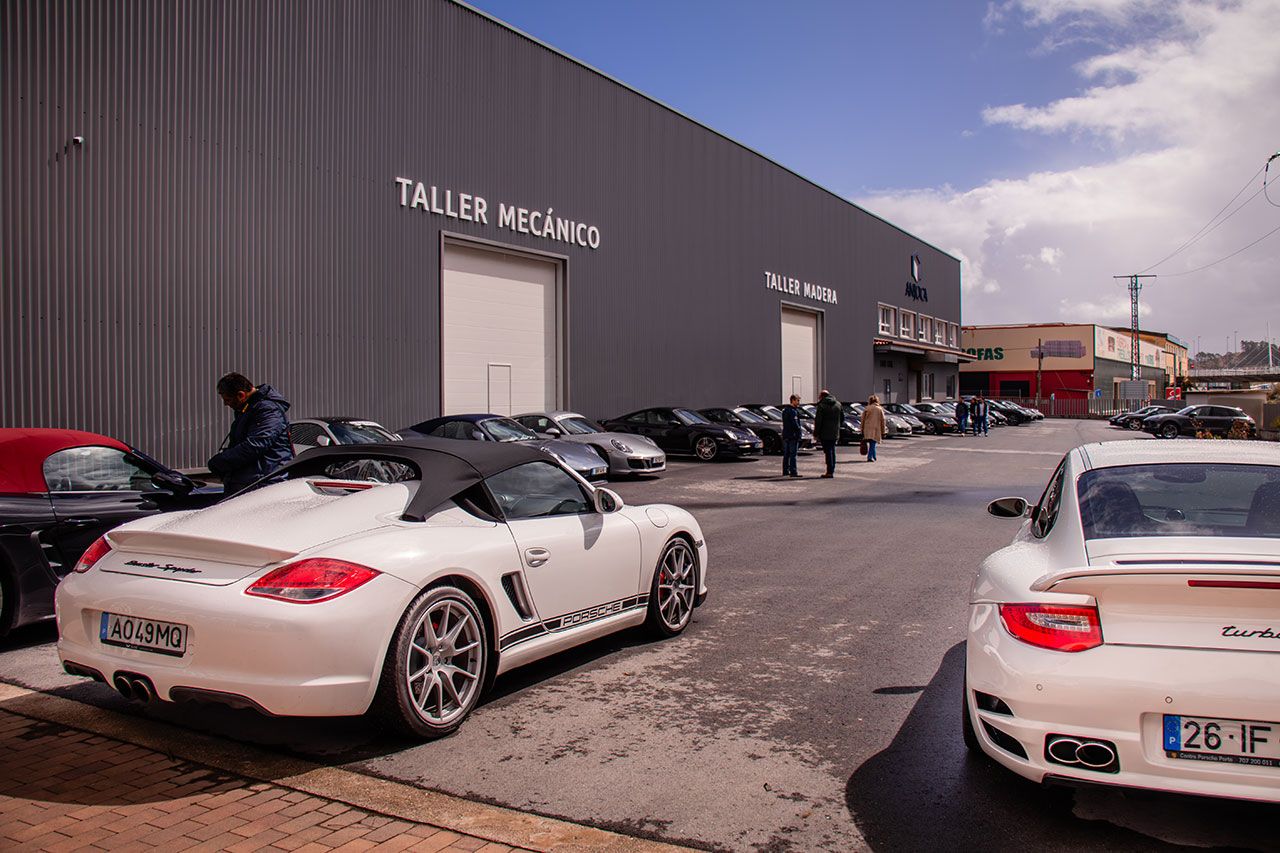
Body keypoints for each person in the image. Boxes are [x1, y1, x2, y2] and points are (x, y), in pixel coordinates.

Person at [207, 373, 294, 496]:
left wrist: (221, 461)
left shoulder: (267, 410)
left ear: (241, 395)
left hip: (263, 482)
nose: (226, 404)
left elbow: (256, 445)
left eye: (228, 399)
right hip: (254, 480)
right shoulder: (249, 408)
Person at [813, 389, 842, 478]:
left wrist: (816, 433)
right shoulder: (838, 404)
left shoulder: (821, 406)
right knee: (832, 450)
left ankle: (829, 471)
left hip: (825, 433)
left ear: (822, 396)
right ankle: (832, 469)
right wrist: (837, 426)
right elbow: (842, 418)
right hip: (835, 432)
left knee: (828, 451)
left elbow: (818, 421)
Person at [781, 394, 803, 477]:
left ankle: (785, 470)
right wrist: (799, 432)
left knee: (786, 454)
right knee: (793, 454)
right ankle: (793, 471)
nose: (798, 402)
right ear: (793, 400)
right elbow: (795, 424)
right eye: (797, 400)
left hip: (786, 434)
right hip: (793, 435)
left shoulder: (785, 410)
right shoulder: (793, 411)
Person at [862, 394, 886, 462]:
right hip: (876, 428)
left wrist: (862, 429)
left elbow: (863, 419)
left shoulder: (867, 408)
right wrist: (883, 431)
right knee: (873, 443)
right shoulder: (879, 409)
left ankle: (874, 456)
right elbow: (883, 420)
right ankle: (870, 457)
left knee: (871, 443)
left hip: (867, 428)